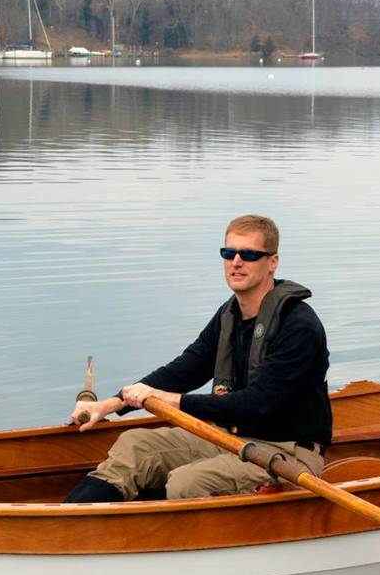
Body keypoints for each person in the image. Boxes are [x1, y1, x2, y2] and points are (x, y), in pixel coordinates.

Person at [65, 214, 331, 502]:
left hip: (288, 452)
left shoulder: (299, 326)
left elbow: (259, 403)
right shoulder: (229, 316)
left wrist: (171, 400)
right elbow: (185, 369)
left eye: (250, 254)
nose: (237, 262)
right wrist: (109, 404)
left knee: (188, 482)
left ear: (272, 262)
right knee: (134, 444)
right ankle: (70, 525)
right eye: (229, 253)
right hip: (230, 438)